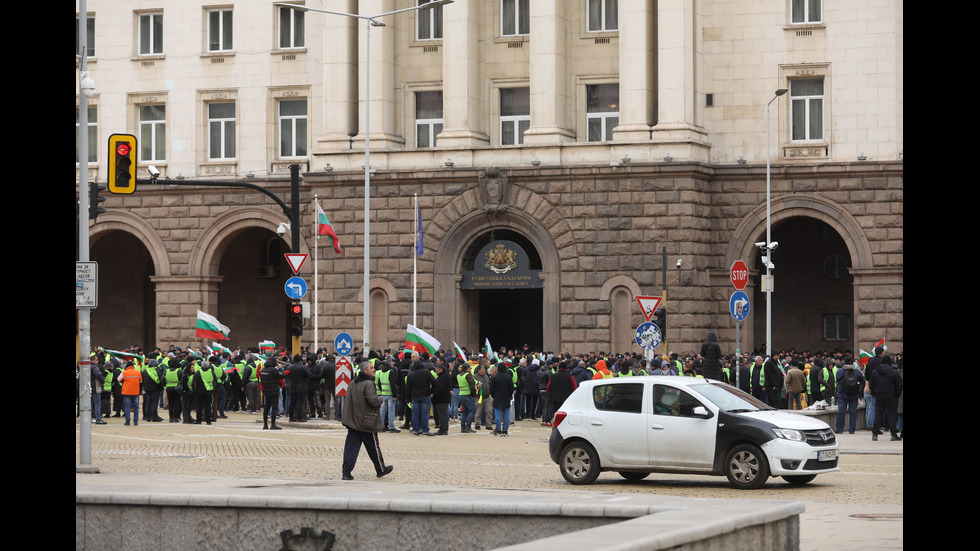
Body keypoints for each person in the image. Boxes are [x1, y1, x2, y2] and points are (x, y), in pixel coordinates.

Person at [341, 360, 394, 480]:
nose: (374, 369)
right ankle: (381, 469)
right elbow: (373, 401)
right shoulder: (368, 383)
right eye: (371, 368)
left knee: (351, 448)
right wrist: (380, 399)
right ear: (365, 371)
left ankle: (346, 472)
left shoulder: (353, 382)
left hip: (353, 422)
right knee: (374, 447)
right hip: (366, 422)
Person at [870, 355, 902, 441]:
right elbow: (899, 385)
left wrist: (875, 393)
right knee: (892, 415)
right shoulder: (894, 372)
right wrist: (896, 395)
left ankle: (875, 433)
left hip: (879, 395)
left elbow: (871, 385)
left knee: (878, 414)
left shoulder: (875, 371)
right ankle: (893, 434)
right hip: (891, 395)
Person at [835, 362, 865, 434]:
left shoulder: (840, 371)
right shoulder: (857, 372)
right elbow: (862, 381)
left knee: (841, 412)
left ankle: (839, 429)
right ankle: (852, 430)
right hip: (854, 395)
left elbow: (837, 379)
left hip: (843, 395)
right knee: (853, 413)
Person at [489, 360, 515, 436]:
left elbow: (491, 389)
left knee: (497, 415)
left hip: (497, 397)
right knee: (506, 415)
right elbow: (511, 388)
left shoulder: (495, 377)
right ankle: (505, 430)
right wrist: (510, 395)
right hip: (506, 397)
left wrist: (494, 396)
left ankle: (499, 430)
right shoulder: (508, 377)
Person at [260, 357, 285, 430]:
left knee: (266, 408)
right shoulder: (273, 370)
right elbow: (282, 376)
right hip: (274, 391)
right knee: (274, 408)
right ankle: (273, 424)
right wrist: (280, 368)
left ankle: (265, 425)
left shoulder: (263, 370)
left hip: (266, 391)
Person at [118, 361, 143, 426]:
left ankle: (128, 421)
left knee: (127, 407)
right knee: (136, 408)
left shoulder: (124, 373)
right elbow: (140, 380)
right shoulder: (138, 373)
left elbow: (118, 379)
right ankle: (135, 421)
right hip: (136, 392)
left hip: (127, 392)